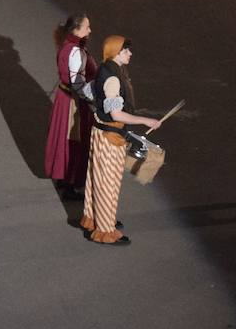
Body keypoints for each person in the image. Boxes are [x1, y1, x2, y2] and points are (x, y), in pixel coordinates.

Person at [80, 36, 160, 245]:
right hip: (110, 136)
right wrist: (145, 120)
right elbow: (116, 114)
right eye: (126, 51)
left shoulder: (104, 69)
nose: (130, 54)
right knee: (108, 181)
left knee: (95, 178)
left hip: (99, 132)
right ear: (117, 52)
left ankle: (94, 218)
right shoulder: (114, 77)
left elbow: (89, 92)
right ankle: (105, 231)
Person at [45, 14, 96, 200]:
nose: (90, 30)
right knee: (74, 141)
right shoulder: (75, 51)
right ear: (76, 30)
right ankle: (69, 184)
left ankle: (64, 179)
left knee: (66, 139)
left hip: (64, 97)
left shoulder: (68, 45)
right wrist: (94, 99)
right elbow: (78, 83)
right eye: (86, 27)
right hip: (72, 102)